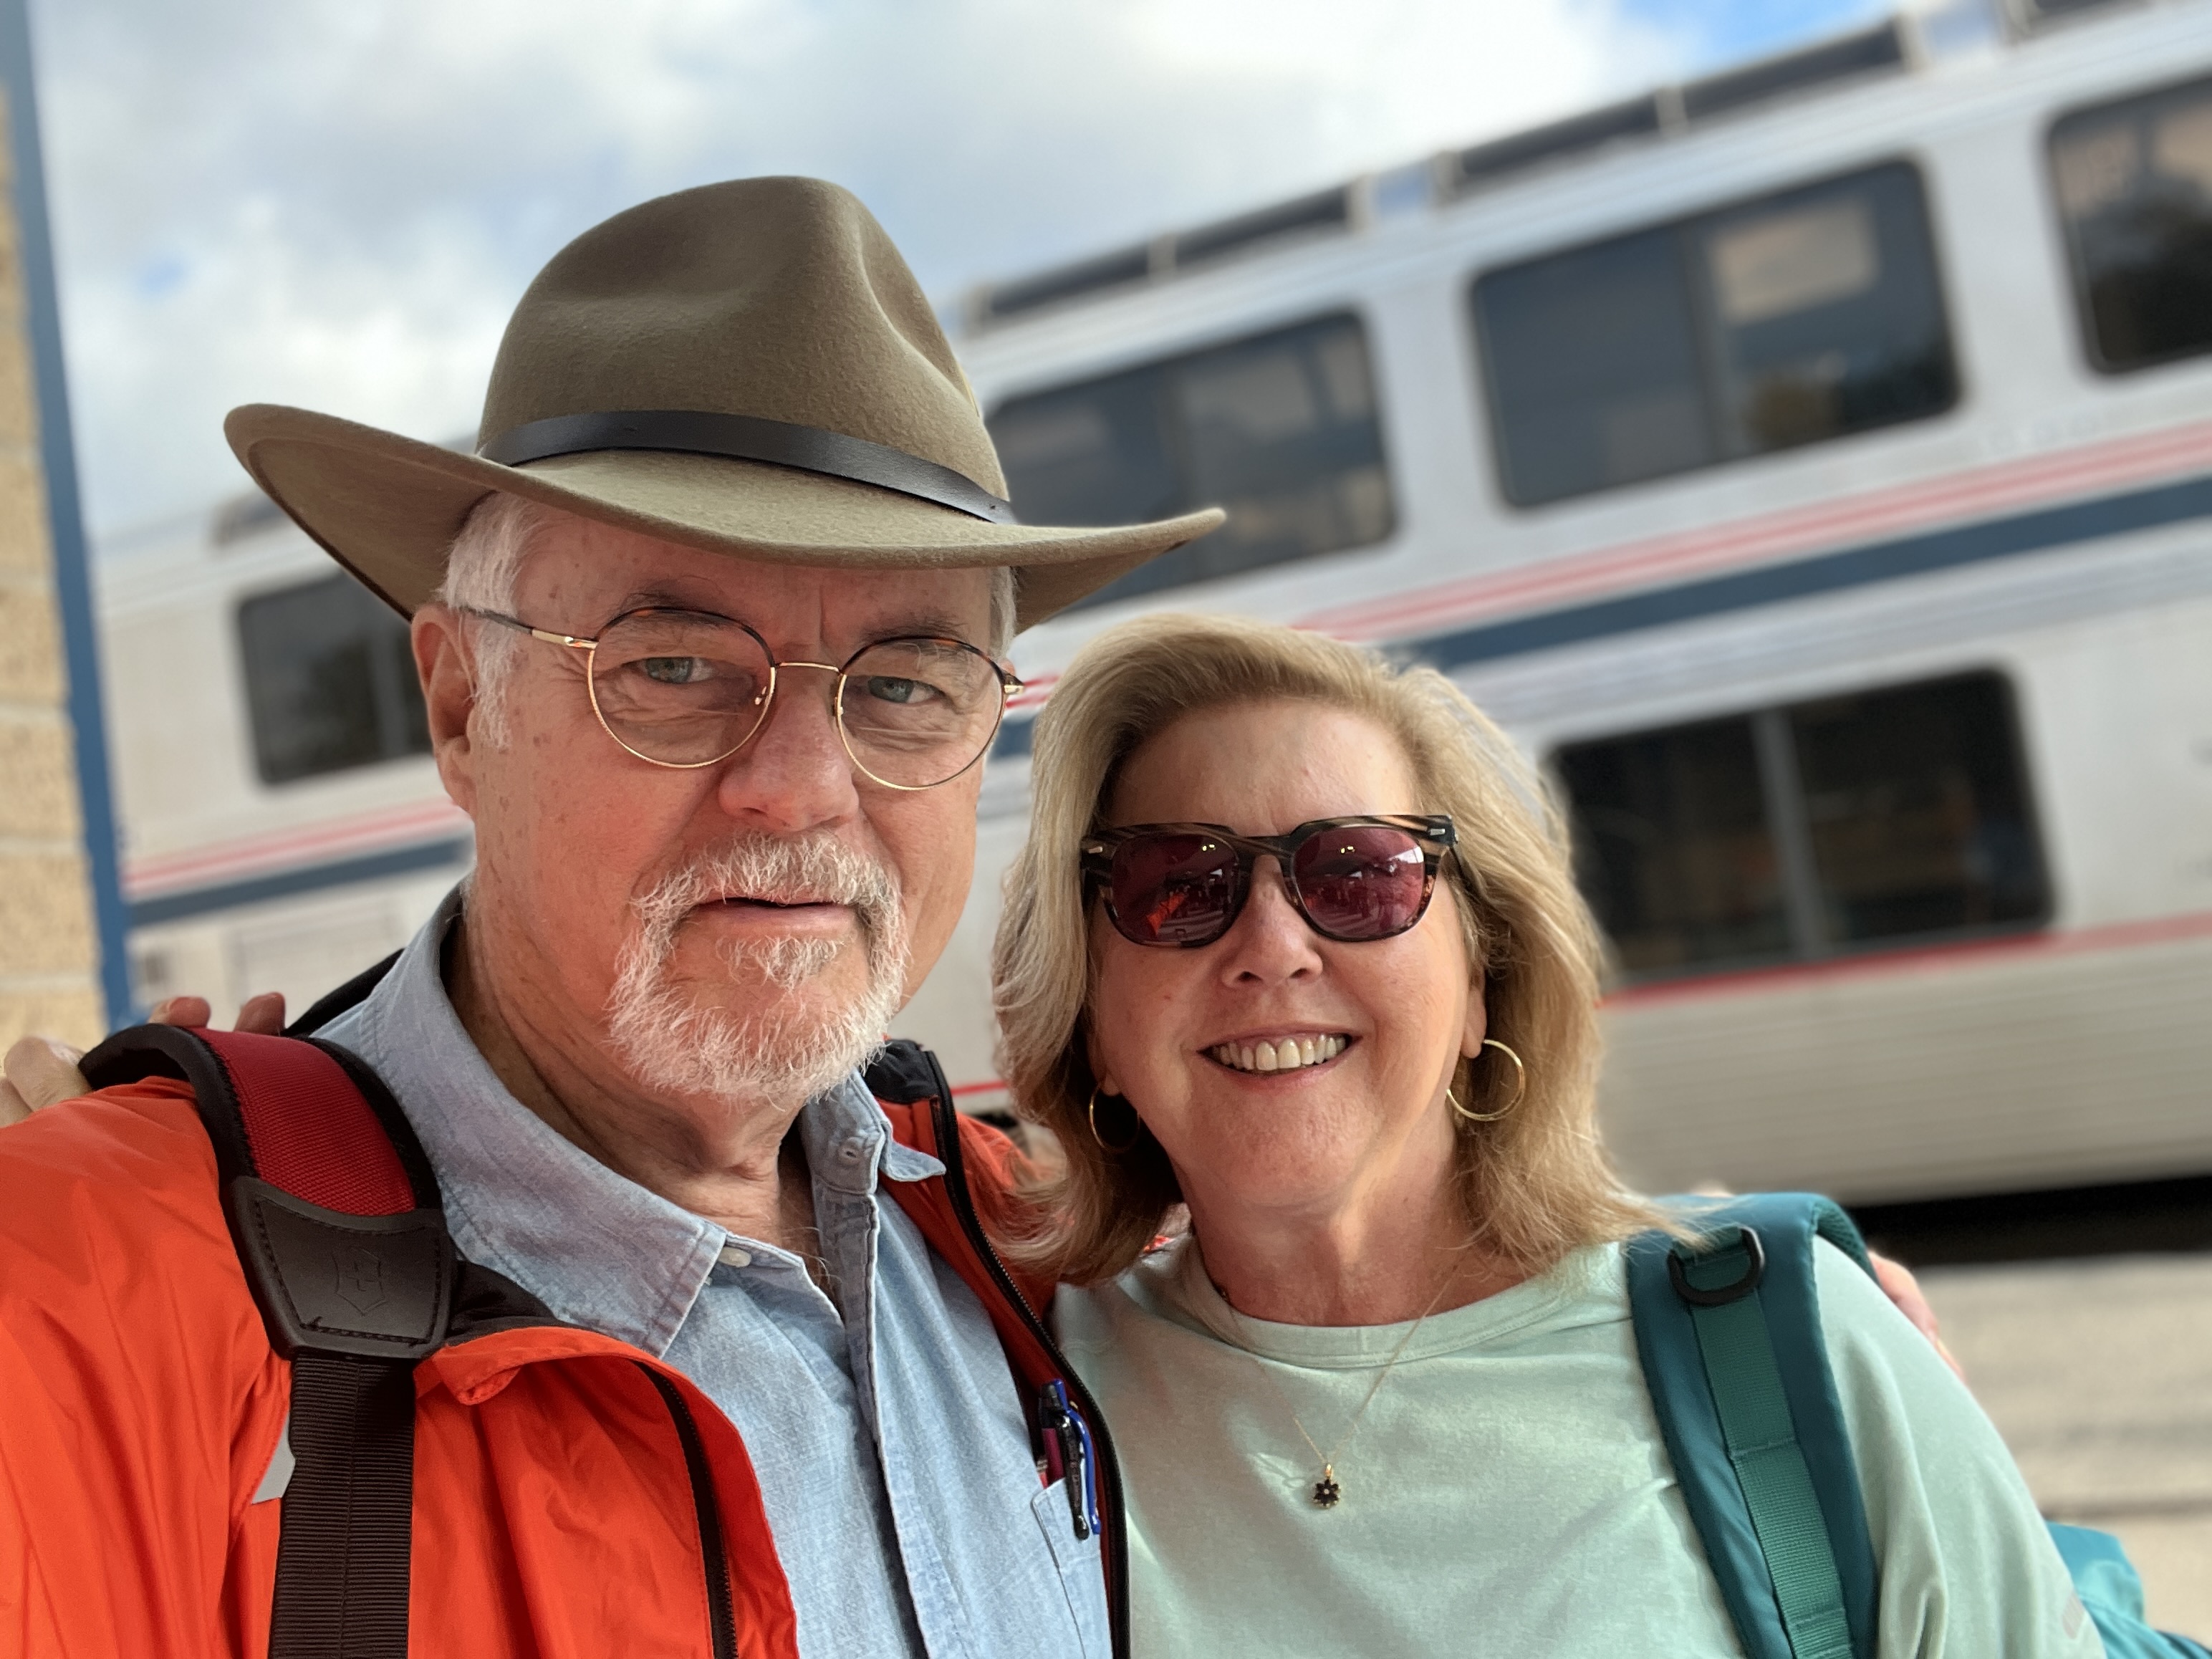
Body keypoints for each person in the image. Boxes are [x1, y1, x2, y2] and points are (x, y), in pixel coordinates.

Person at [0, 175, 1221, 1658]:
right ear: (463, 705)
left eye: (906, 683)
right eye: (675, 665)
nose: (800, 790)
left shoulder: (1033, 1244)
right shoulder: (82, 1291)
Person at [991, 611, 2106, 1656]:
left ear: (1482, 985)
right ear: (1093, 1020)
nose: (1273, 947)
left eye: (1361, 876)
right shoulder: (1015, 1395)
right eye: (1177, 886)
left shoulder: (1793, 1346)